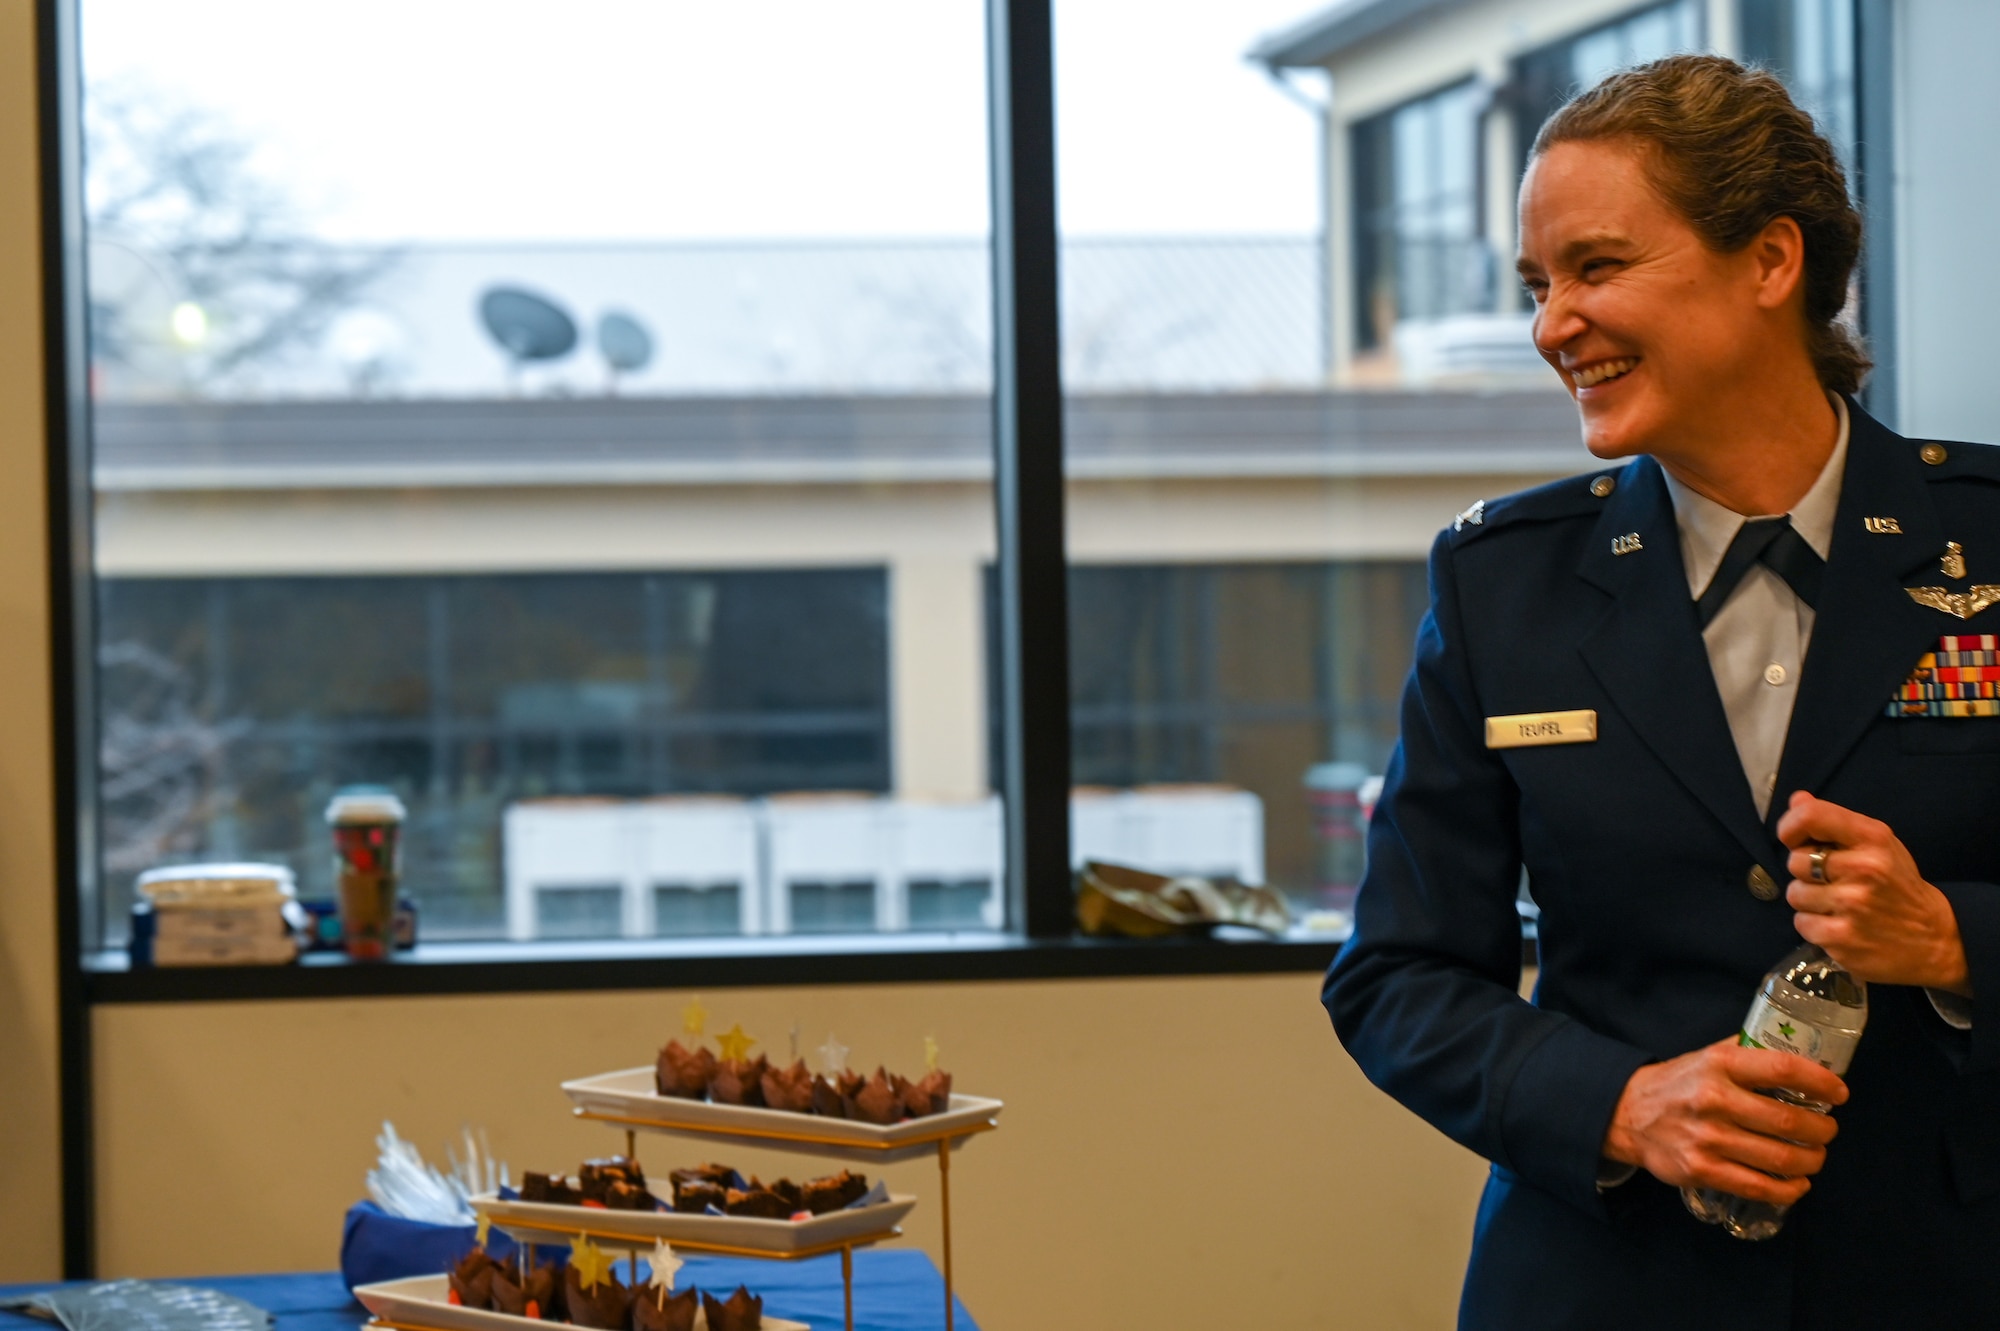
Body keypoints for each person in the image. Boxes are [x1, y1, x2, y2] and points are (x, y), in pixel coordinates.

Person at [1324, 54, 2000, 1330]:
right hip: (1602, 1282)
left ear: (1767, 261)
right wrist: (1622, 1106)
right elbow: (1395, 974)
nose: (1548, 325)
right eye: (1536, 285)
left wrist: (1954, 940)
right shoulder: (1499, 585)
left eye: (1594, 266)